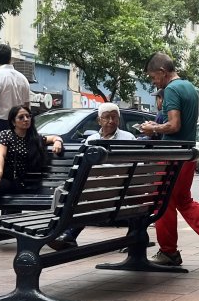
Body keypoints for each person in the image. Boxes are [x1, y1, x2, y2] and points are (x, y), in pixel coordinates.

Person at [139, 52, 199, 266]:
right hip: (187, 155)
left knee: (163, 201)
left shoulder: (171, 89)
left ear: (162, 72)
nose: (154, 82)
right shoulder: (189, 87)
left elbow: (174, 125)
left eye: (153, 77)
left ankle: (169, 252)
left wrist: (153, 128)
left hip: (171, 155)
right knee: (183, 199)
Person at [0, 104, 63, 249]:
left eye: (28, 116)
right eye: (21, 117)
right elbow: (0, 155)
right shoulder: (5, 135)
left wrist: (58, 141)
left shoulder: (34, 139)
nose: (26, 119)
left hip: (11, 182)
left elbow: (53, 138)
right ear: (14, 121)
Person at [47, 103, 136, 251]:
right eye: (106, 117)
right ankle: (58, 232)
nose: (111, 121)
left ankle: (69, 234)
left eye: (114, 117)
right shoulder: (91, 139)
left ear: (119, 120)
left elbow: (133, 168)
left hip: (115, 187)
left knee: (83, 195)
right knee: (61, 191)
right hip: (92, 183)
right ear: (99, 120)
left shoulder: (128, 138)